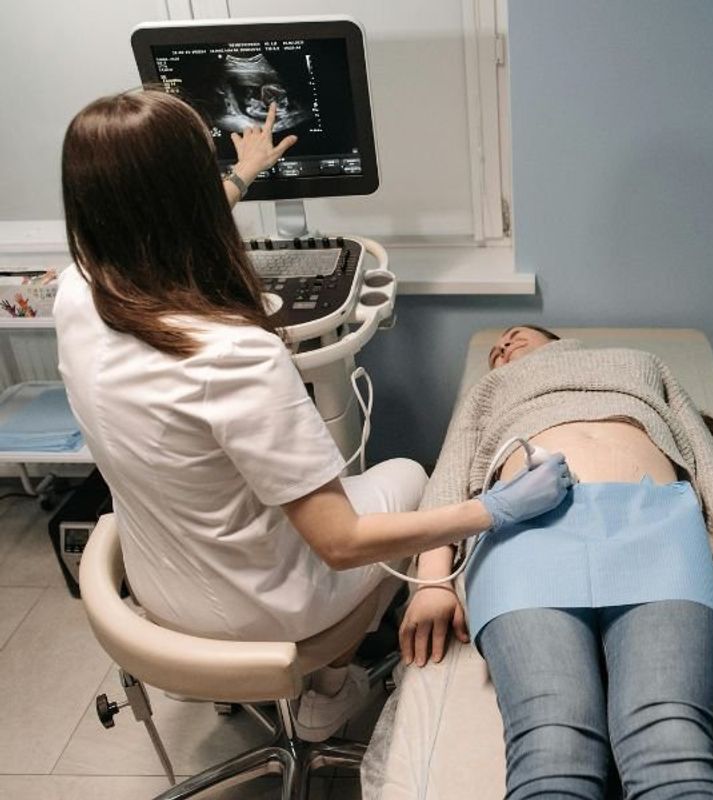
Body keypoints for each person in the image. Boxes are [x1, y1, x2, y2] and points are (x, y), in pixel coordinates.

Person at [53, 91, 571, 742]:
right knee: (409, 473)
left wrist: (242, 175)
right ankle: (328, 691)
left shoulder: (77, 295)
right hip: (267, 612)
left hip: (157, 586)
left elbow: (153, 232)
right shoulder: (235, 356)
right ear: (184, 195)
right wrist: (493, 510)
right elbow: (340, 543)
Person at [401, 325, 713, 799]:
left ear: (555, 339)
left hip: (656, 531)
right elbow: (449, 475)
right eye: (497, 350)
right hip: (526, 538)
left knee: (671, 745)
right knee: (553, 748)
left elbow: (706, 460)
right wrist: (431, 582)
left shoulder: (640, 363)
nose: (504, 346)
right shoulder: (489, 389)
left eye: (514, 335)